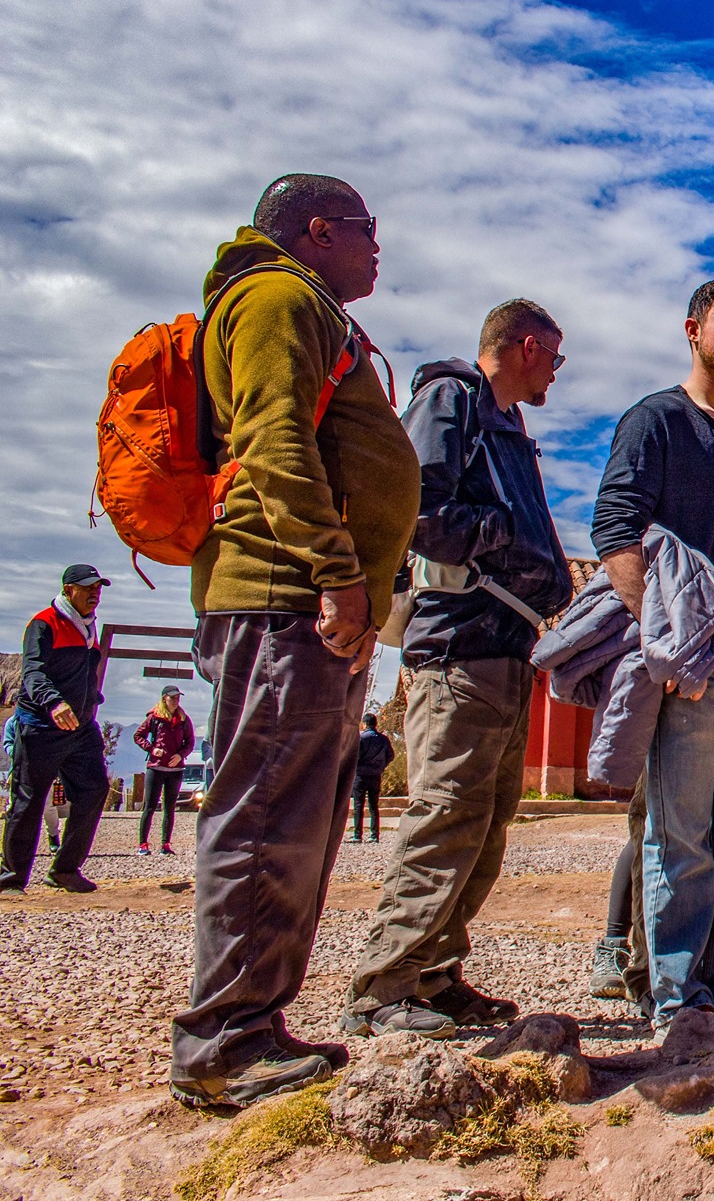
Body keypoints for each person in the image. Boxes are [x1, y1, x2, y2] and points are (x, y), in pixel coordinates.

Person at [172, 175, 420, 1110]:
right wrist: (335, 572)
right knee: (266, 813)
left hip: (303, 603)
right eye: (365, 230)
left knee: (293, 819)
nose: (375, 249)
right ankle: (224, 1039)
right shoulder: (277, 297)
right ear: (316, 230)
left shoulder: (301, 302)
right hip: (283, 599)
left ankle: (252, 1023)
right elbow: (275, 440)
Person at [343, 300, 574, 1038]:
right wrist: (499, 531)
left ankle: (436, 974)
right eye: (555, 359)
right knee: (445, 814)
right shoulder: (450, 400)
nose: (556, 375)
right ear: (527, 345)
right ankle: (384, 984)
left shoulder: (508, 425)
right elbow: (413, 505)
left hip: (505, 649)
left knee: (484, 823)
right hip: (458, 649)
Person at [590, 276, 714, 1030]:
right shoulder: (656, 421)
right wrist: (663, 642)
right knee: (679, 837)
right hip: (692, 668)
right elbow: (615, 529)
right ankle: (677, 999)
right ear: (693, 329)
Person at [0, 565, 112, 893]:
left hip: (80, 728)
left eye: (99, 588)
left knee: (94, 790)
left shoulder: (89, 629)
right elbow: (33, 672)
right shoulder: (44, 623)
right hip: (40, 727)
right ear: (68, 590)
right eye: (87, 588)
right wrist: (54, 702)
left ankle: (64, 870)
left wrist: (91, 700)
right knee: (29, 800)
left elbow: (86, 673)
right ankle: (11, 878)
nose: (95, 594)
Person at [134, 686, 196, 855]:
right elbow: (138, 736)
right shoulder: (154, 717)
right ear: (164, 699)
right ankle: (143, 844)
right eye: (172, 698)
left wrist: (180, 755)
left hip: (175, 769)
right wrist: (152, 749)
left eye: (178, 697)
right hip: (156, 767)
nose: (176, 701)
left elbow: (190, 743)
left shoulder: (184, 720)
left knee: (169, 808)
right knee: (150, 807)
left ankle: (165, 845)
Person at [352, 714, 394, 845]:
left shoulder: (361, 738)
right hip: (375, 775)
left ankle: (357, 835)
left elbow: (354, 756)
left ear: (364, 724)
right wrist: (381, 766)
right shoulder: (384, 739)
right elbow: (390, 756)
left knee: (358, 805)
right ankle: (374, 835)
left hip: (360, 775)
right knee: (373, 806)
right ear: (376, 724)